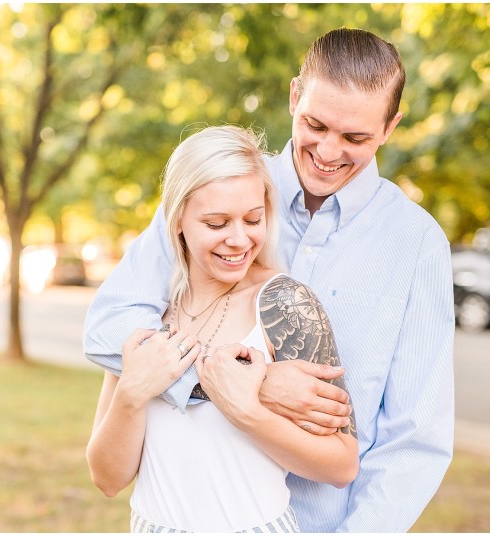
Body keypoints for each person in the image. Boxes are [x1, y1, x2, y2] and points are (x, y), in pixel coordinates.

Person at [84, 28, 455, 532]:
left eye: (355, 137)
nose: (328, 151)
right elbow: (111, 325)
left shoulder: (417, 245)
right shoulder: (221, 184)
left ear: (390, 126)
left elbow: (414, 440)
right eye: (316, 124)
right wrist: (242, 385)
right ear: (294, 95)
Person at [86, 125, 358, 533]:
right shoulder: (145, 317)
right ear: (177, 220)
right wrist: (131, 392)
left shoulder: (285, 304)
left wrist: (246, 411)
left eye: (252, 219)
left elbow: (342, 463)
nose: (238, 240)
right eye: (216, 223)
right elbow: (108, 480)